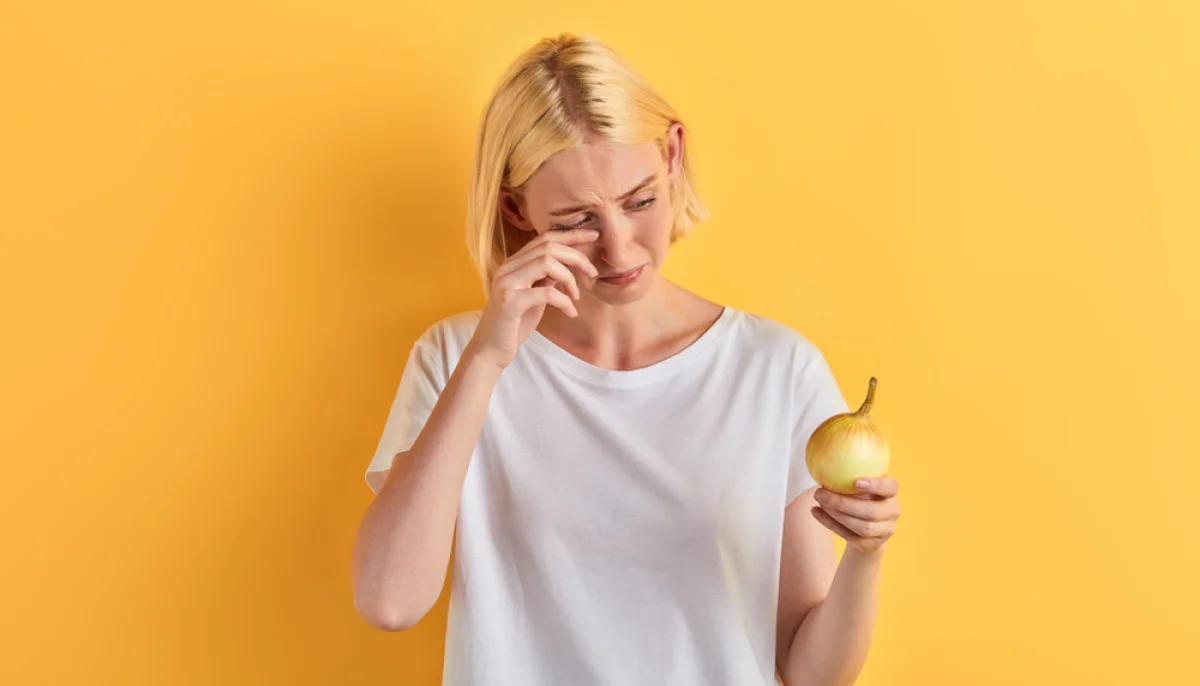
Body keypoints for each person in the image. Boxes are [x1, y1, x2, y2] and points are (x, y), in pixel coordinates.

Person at [352, 32, 901, 686]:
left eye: (639, 201)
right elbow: (389, 601)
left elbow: (811, 674)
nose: (619, 251)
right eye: (575, 220)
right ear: (515, 208)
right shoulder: (452, 359)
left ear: (671, 155)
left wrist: (865, 556)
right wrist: (486, 361)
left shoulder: (775, 371)